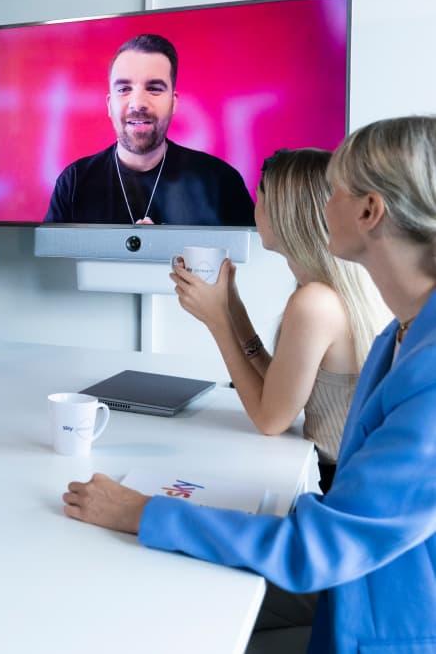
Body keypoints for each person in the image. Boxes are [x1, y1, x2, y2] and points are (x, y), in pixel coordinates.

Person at [63, 115, 436, 653]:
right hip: (360, 591)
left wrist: (140, 511)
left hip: (387, 624)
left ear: (370, 210)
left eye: (332, 189)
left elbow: (318, 548)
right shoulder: (396, 337)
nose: (320, 202)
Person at [170, 148, 388, 491]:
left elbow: (270, 419)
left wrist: (218, 323)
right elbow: (279, 391)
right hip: (340, 473)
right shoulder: (323, 291)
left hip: (334, 484)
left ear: (285, 213)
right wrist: (232, 308)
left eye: (260, 196)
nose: (252, 206)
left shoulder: (314, 303)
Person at [44, 34, 255, 226]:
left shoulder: (221, 182)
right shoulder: (73, 183)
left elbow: (251, 265)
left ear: (173, 103)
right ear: (109, 105)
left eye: (154, 89)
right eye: (124, 89)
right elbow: (52, 265)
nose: (138, 104)